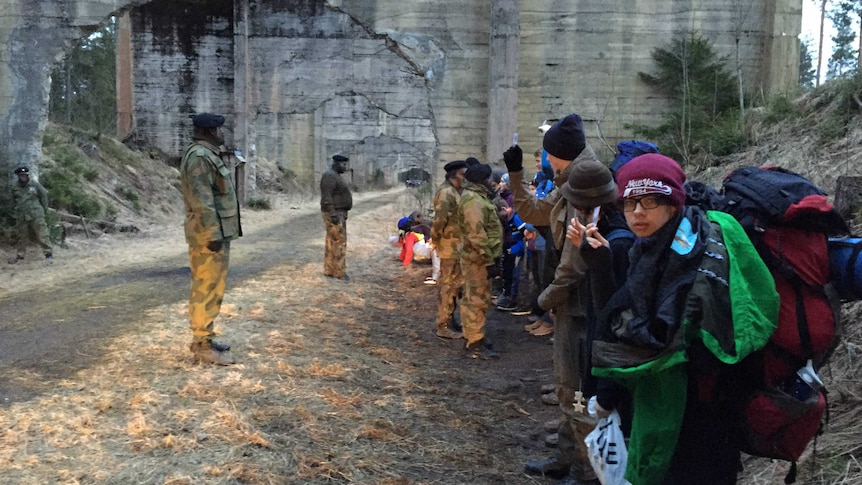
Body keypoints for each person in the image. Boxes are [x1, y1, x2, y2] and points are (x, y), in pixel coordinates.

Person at [589, 154, 778, 484]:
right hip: (713, 410)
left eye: (650, 202)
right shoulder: (671, 242)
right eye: (629, 203)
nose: (637, 213)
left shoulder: (680, 258)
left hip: (692, 411)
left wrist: (606, 397)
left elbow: (643, 339)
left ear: (673, 203)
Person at [504, 114, 601, 484]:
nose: (545, 161)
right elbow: (533, 211)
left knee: (577, 393)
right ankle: (566, 459)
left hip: (580, 309)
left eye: (547, 154)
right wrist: (516, 175)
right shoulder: (569, 183)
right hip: (569, 305)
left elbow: (574, 263)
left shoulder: (585, 187)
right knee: (568, 389)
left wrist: (544, 299)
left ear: (560, 154)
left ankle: (586, 472)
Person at [180, 112, 242, 365]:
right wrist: (212, 234)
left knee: (212, 287)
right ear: (209, 131)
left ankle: (203, 338)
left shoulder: (206, 155)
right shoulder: (199, 157)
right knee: (206, 288)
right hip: (209, 235)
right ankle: (203, 346)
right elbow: (202, 200)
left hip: (214, 233)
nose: (222, 134)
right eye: (219, 130)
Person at [458, 162, 503, 359]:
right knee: (476, 300)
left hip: (479, 258)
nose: (492, 183)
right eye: (489, 179)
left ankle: (473, 334)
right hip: (478, 260)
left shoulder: (477, 197)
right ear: (481, 181)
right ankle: (475, 343)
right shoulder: (473, 201)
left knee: (475, 298)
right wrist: (488, 261)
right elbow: (477, 235)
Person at [430, 160, 468, 339]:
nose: (466, 178)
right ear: (455, 174)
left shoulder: (456, 191)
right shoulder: (446, 193)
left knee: (454, 287)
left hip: (457, 247)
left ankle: (451, 319)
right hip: (449, 247)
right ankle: (443, 324)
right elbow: (439, 221)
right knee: (447, 286)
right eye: (463, 174)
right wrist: (435, 240)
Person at [8, 166, 53, 264]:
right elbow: (12, 202)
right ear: (18, 176)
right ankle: (20, 256)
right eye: (21, 175)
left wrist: (43, 209)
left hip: (36, 214)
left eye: (24, 175)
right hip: (22, 216)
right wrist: (14, 213)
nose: (23, 177)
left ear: (27, 175)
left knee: (42, 234)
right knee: (21, 236)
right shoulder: (15, 188)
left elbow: (44, 195)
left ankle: (48, 254)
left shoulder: (35, 185)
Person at [320, 154, 353, 281]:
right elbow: (326, 197)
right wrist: (333, 213)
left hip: (338, 213)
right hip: (334, 214)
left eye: (346, 164)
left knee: (332, 241)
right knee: (339, 242)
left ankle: (329, 270)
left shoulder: (334, 176)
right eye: (343, 164)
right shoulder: (330, 176)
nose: (345, 167)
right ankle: (339, 272)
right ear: (335, 163)